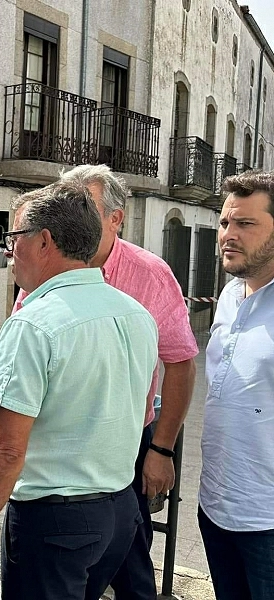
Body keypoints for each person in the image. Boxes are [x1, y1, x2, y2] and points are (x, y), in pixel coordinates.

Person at [0, 182, 159, 600]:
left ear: (44, 241)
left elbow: (5, 449)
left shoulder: (32, 324)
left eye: (14, 237)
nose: (10, 251)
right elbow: (138, 409)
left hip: (55, 522)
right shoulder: (136, 313)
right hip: (119, 512)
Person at [13, 165, 198, 600]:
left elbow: (181, 363)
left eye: (85, 207)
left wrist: (161, 449)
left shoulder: (150, 275)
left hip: (127, 441)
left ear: (116, 218)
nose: (71, 216)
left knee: (131, 568)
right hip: (58, 444)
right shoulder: (45, 267)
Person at [199, 170, 274, 600]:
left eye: (246, 224)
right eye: (226, 223)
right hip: (216, 507)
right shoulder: (229, 295)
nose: (229, 234)